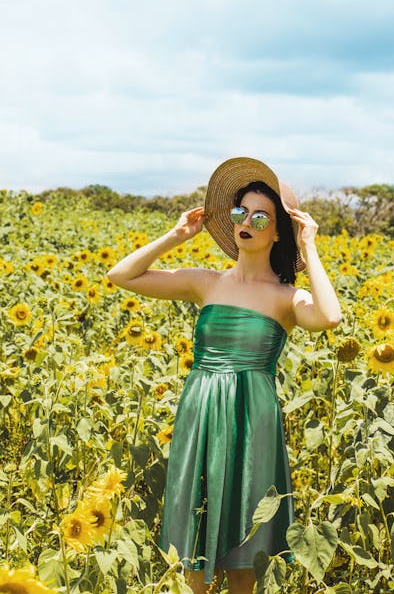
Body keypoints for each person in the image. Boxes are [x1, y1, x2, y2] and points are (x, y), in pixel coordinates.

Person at [106, 157, 342, 594]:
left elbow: (330, 317)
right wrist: (176, 236)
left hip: (254, 418)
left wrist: (310, 246)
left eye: (260, 216)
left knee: (245, 540)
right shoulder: (206, 282)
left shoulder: (287, 297)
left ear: (277, 232)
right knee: (194, 532)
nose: (245, 222)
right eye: (239, 212)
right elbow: (120, 275)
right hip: (201, 409)